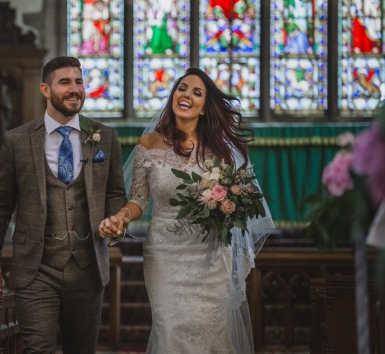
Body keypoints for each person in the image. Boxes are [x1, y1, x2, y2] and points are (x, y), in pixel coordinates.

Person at [99, 67, 274, 353]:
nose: (187, 95)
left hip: (210, 256)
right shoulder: (149, 145)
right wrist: (121, 216)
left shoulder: (221, 152)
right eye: (182, 88)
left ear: (205, 108)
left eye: (196, 92)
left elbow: (240, 202)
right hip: (165, 252)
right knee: (169, 331)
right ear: (172, 96)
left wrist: (227, 204)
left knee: (214, 334)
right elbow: (139, 200)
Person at [0, 56, 127, 354]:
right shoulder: (17, 140)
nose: (75, 89)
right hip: (36, 269)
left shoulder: (105, 137)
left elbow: (115, 192)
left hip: (88, 268)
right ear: (45, 90)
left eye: (79, 81)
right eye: (65, 83)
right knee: (37, 349)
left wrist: (115, 220)